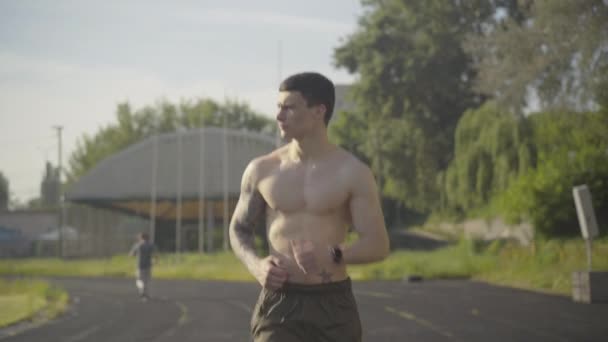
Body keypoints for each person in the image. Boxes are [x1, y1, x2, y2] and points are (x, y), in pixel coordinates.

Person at [229, 72, 390, 341]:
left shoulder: (353, 173)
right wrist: (257, 266)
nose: (279, 116)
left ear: (319, 111)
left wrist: (333, 254)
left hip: (332, 304)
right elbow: (238, 229)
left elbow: (378, 244)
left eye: (289, 107)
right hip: (279, 304)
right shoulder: (262, 169)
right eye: (278, 107)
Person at [129, 232, 156, 300]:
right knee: (146, 280)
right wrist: (154, 260)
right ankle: (145, 293)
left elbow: (131, 254)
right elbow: (155, 255)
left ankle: (142, 291)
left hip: (140, 265)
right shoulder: (151, 245)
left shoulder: (137, 245)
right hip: (148, 265)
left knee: (139, 280)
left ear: (141, 238)